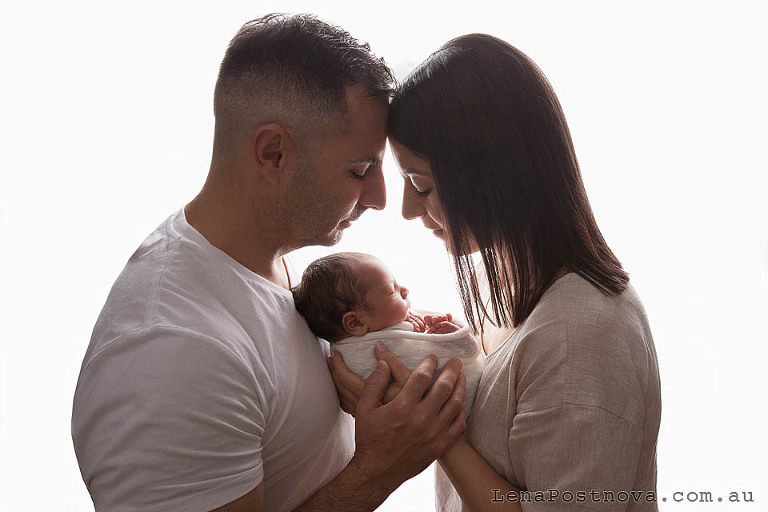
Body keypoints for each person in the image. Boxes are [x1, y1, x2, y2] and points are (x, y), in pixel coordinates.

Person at [71, 14, 466, 512]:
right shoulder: (172, 351)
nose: (380, 198)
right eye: (360, 170)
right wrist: (377, 470)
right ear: (273, 153)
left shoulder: (269, 261)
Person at [331, 33, 662, 511]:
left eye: (421, 185)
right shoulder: (501, 280)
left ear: (492, 176)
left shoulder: (584, 336)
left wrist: (432, 430)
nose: (406, 209)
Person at [292, 251, 483, 414]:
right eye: (392, 291)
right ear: (355, 322)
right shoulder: (388, 346)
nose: (405, 290)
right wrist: (450, 332)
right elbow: (467, 352)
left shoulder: (344, 351)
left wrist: (409, 325)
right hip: (469, 409)